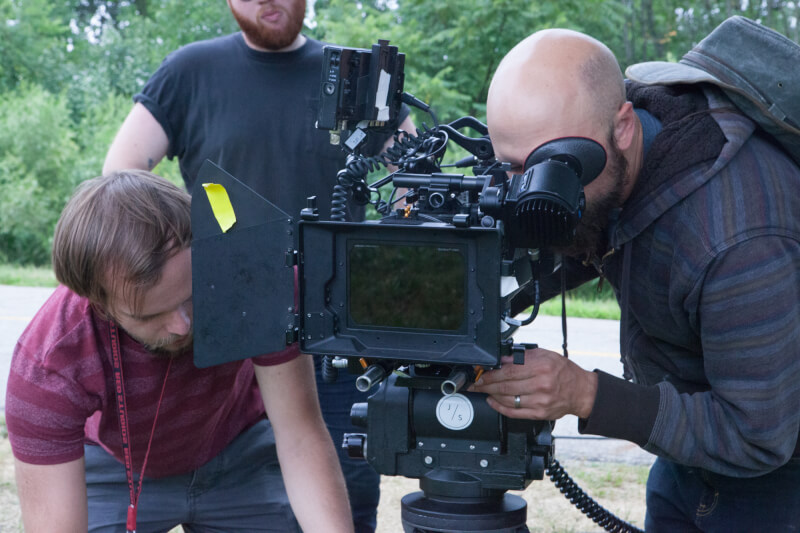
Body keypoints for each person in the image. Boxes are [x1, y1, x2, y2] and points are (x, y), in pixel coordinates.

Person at [471, 28, 800, 531]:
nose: (531, 193)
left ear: (622, 127)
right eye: (513, 168)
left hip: (773, 487)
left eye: (553, 169)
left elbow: (756, 436)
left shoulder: (736, 237)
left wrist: (584, 394)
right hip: (682, 458)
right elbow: (585, 236)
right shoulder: (622, 159)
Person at [102, 1, 414, 530]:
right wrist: (195, 241)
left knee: (346, 498)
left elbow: (415, 173)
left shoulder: (353, 77)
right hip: (223, 340)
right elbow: (122, 171)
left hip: (336, 337)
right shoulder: (190, 70)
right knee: (238, 506)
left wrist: (390, 243)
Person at [6, 170, 354, 532]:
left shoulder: (257, 279)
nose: (182, 325)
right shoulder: (48, 366)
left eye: (192, 295)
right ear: (98, 302)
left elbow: (299, 433)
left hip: (238, 454)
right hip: (114, 469)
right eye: (151, 315)